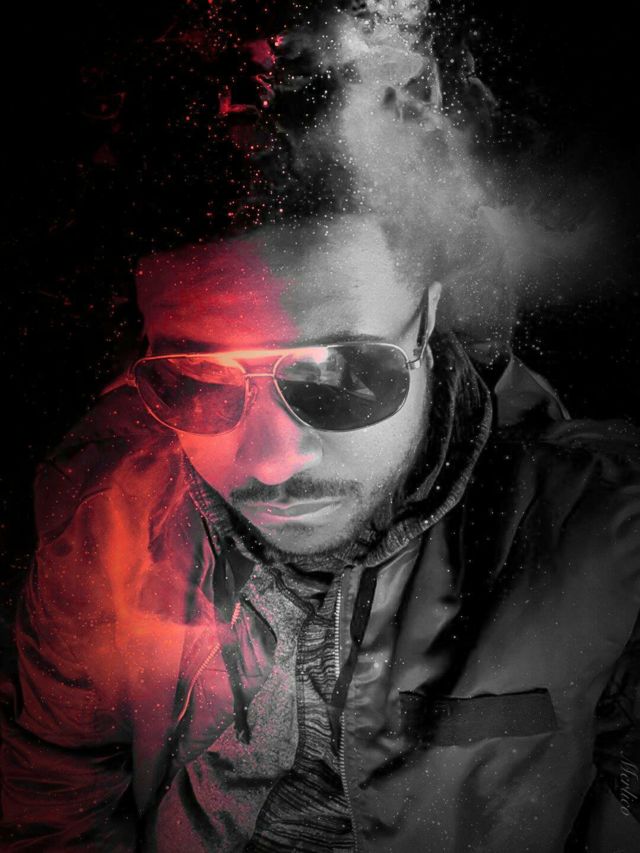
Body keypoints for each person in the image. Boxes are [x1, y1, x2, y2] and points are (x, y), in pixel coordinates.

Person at [2, 2, 640, 851]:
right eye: (195, 383)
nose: (273, 460)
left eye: (343, 374)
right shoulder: (103, 532)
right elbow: (52, 797)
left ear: (429, 321)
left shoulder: (609, 540)